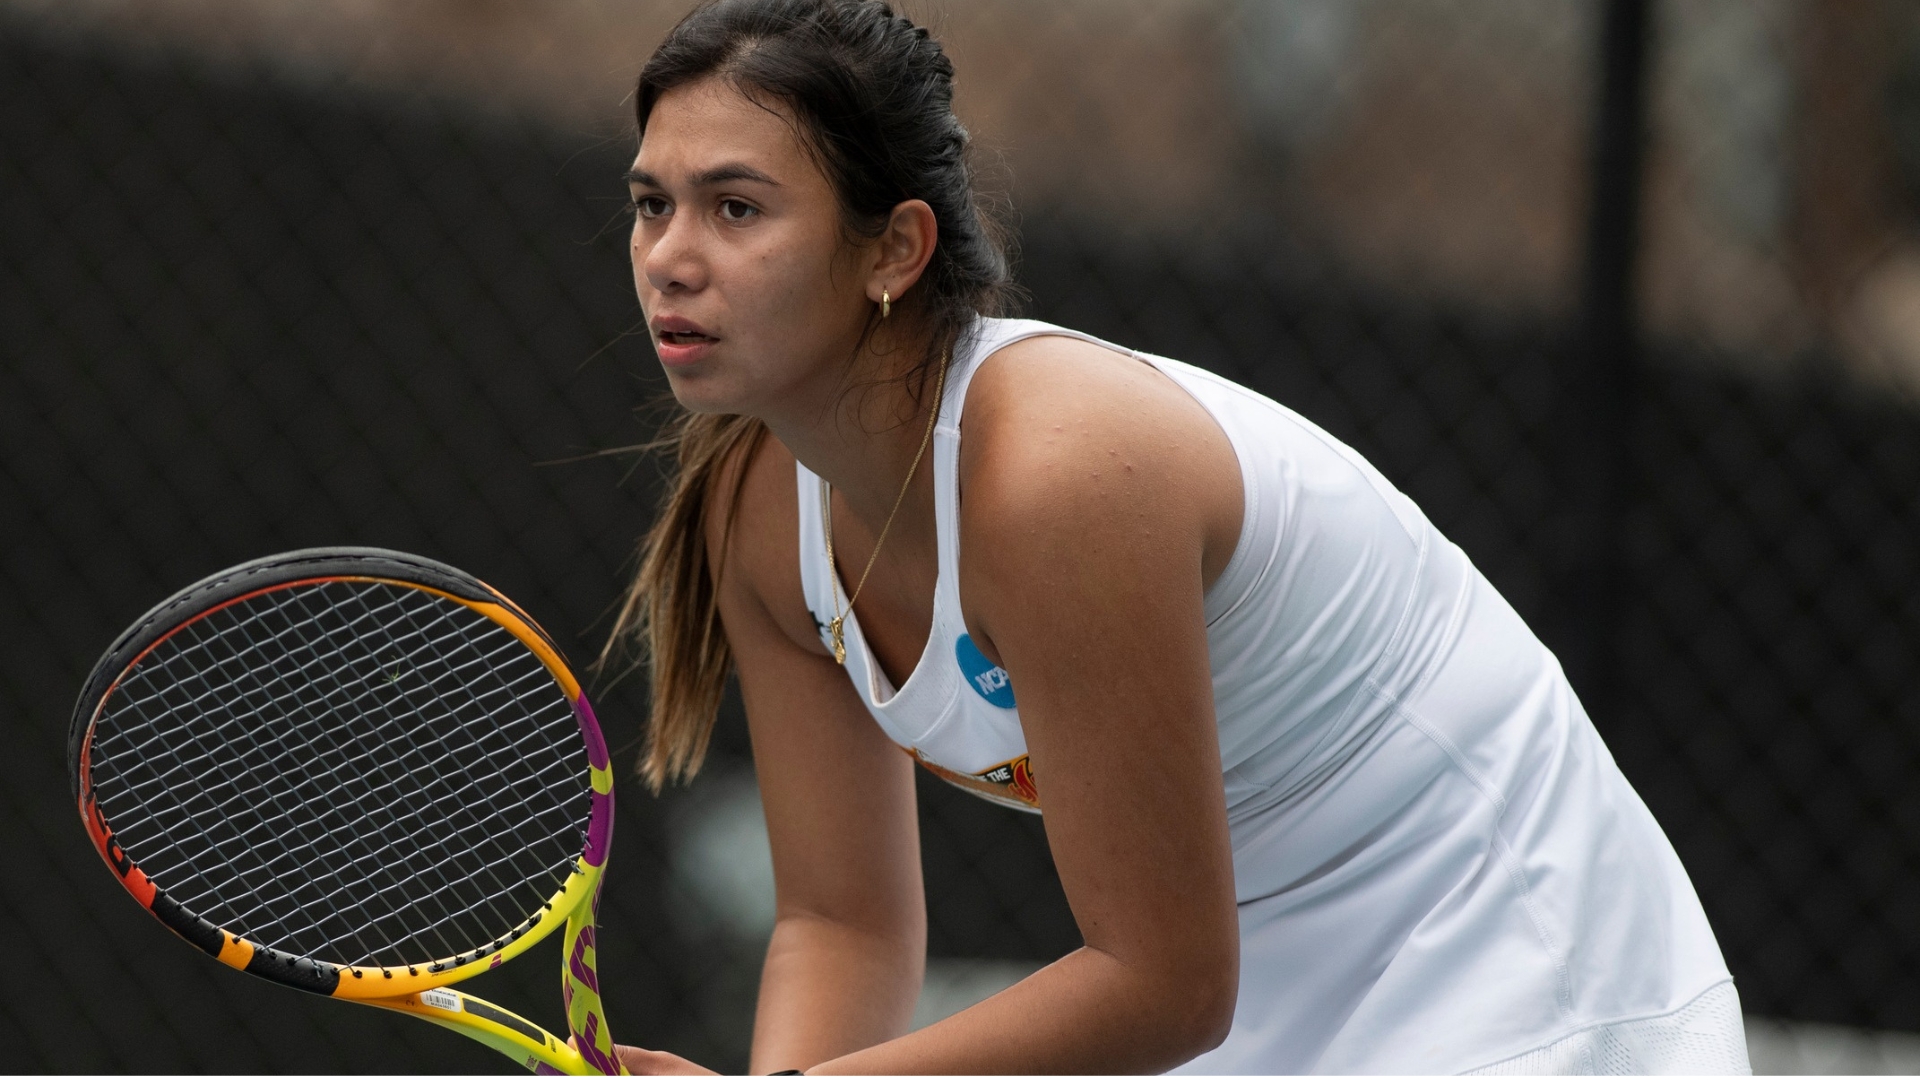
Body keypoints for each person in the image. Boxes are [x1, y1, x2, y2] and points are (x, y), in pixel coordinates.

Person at [599, 0, 1750, 1073]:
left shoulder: (1058, 477)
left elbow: (1163, 987)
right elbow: (839, 922)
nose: (672, 256)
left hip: (1518, 953)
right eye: (654, 203)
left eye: (736, 207)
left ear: (895, 250)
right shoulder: (754, 516)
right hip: (1266, 983)